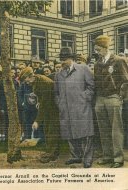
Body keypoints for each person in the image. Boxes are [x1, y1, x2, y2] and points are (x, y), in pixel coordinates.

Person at [54, 47, 95, 168]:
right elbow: (56, 92)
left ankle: (87, 159)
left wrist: (84, 98)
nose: (62, 62)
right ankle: (75, 156)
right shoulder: (58, 74)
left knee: (86, 133)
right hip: (65, 109)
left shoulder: (83, 69)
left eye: (65, 59)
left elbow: (91, 87)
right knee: (70, 133)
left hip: (81, 107)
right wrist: (60, 103)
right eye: (61, 59)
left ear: (71, 59)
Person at [94, 35, 128, 168]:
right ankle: (107, 156)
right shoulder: (97, 64)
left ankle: (118, 158)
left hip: (113, 98)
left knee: (116, 129)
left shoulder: (119, 60)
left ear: (105, 47)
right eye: (96, 49)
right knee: (103, 129)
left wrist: (121, 96)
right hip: (100, 99)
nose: (96, 52)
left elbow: (126, 80)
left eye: (98, 49)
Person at [19, 67, 61, 163]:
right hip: (48, 106)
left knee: (52, 130)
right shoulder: (36, 80)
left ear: (30, 76)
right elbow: (42, 97)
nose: (26, 83)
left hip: (54, 108)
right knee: (47, 129)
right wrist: (39, 101)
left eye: (26, 80)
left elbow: (45, 103)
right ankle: (51, 152)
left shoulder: (43, 83)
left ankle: (52, 154)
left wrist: (37, 120)